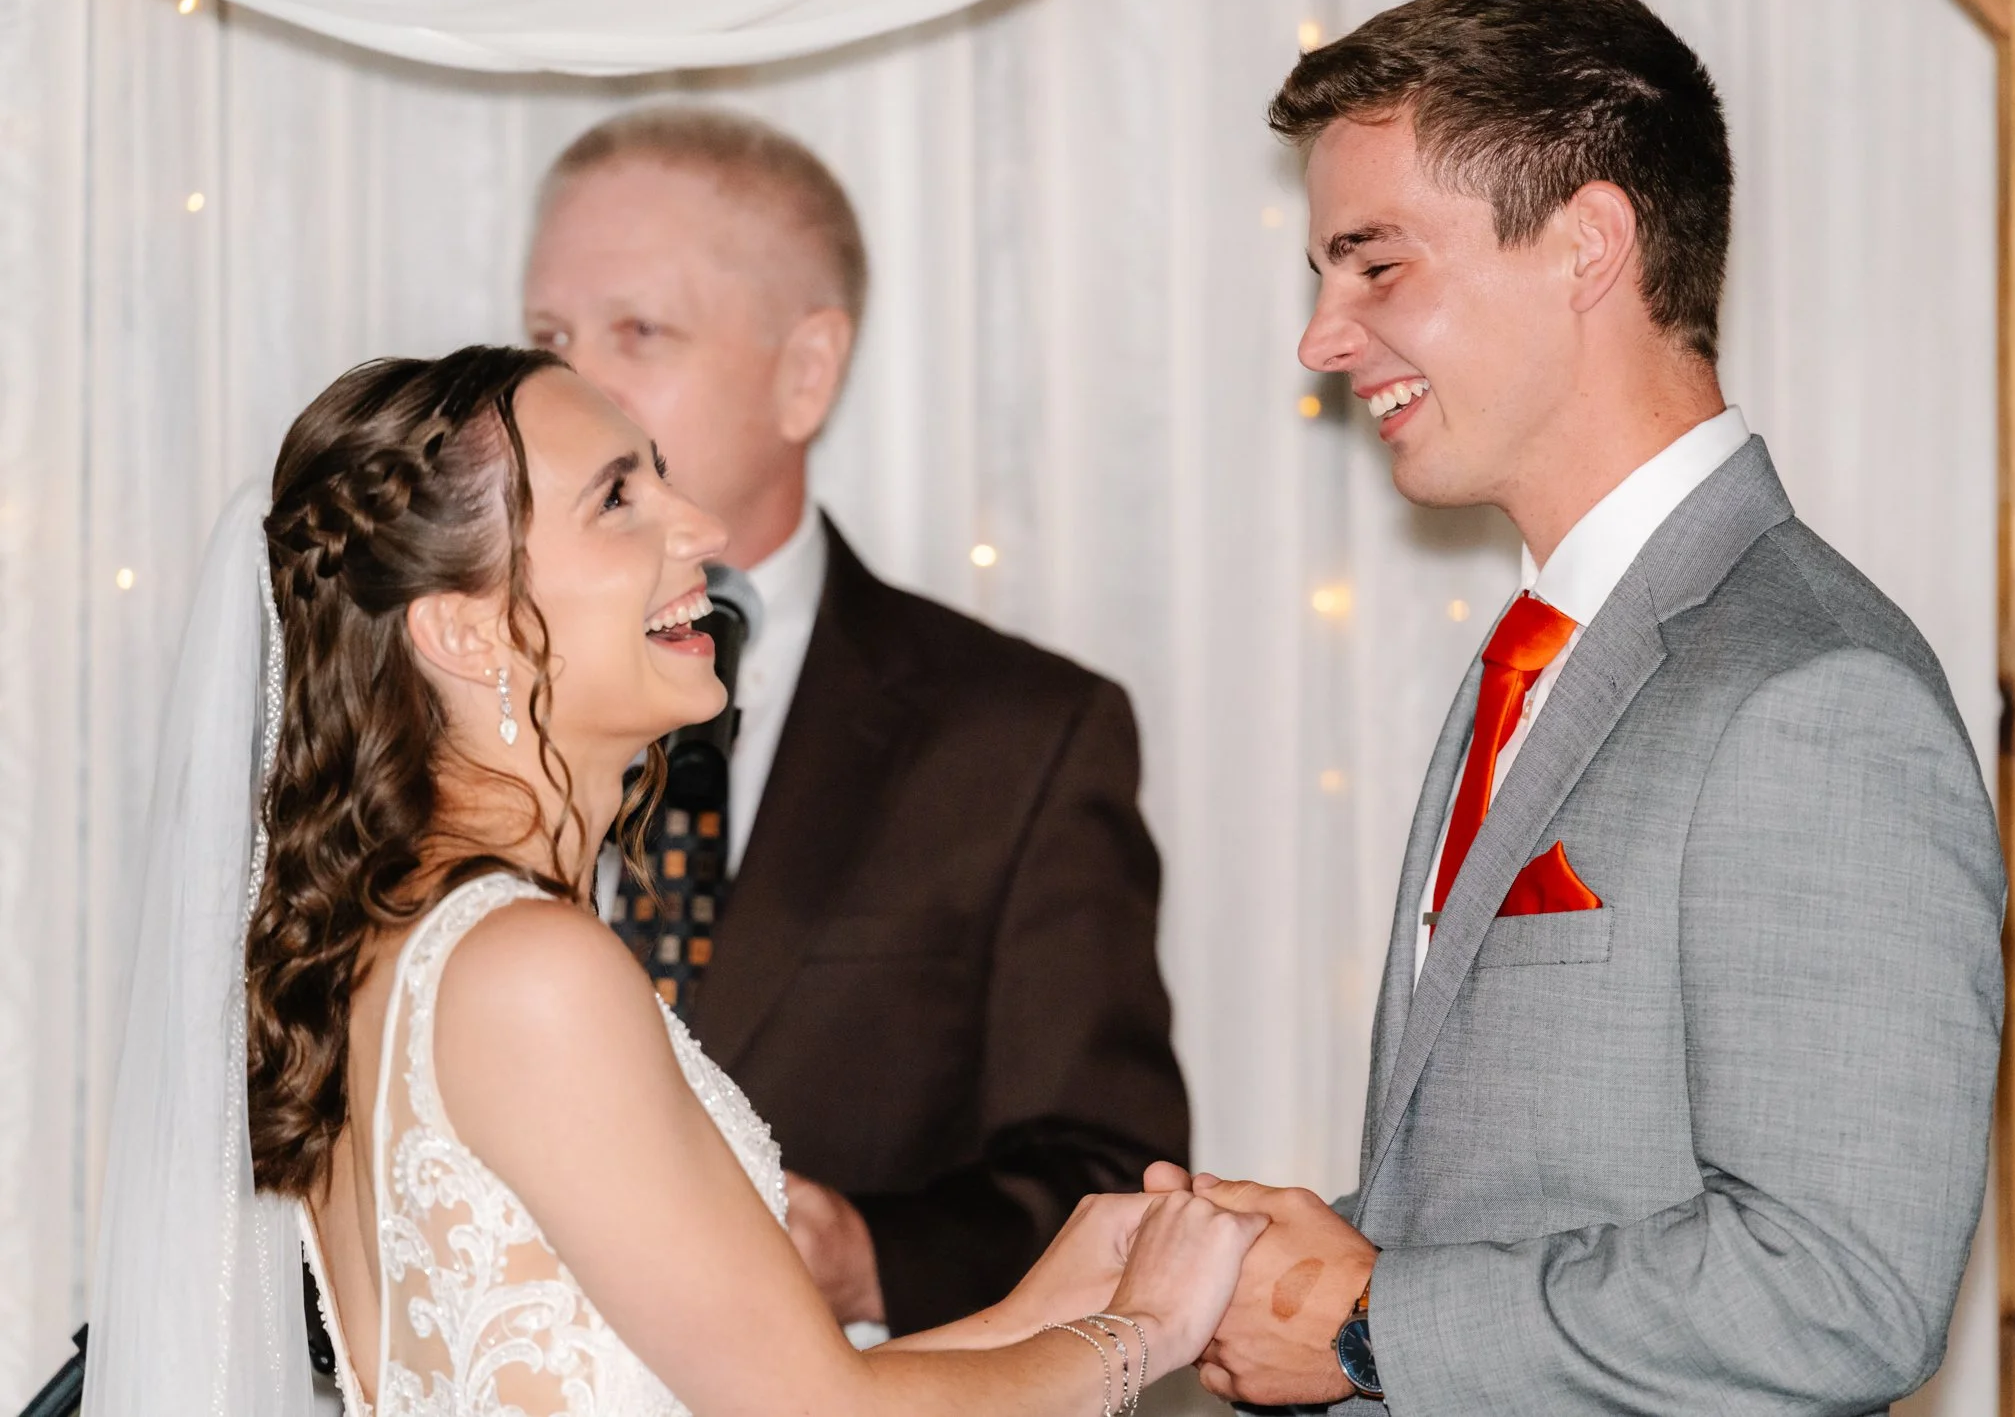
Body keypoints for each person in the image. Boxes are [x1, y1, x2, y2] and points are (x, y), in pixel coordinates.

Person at [84, 345, 1263, 1417]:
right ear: (464, 632)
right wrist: (1143, 1334)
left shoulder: (416, 938)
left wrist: (1049, 1307)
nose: (700, 528)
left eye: (662, 479)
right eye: (618, 500)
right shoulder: (527, 969)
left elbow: (761, 1384)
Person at [1153, 0, 2006, 1415]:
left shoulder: (1814, 692)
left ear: (1587, 245)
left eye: (1375, 265)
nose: (1322, 336)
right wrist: (1258, 1267)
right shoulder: (1547, 647)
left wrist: (1368, 1324)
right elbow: (1544, 1193)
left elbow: (1844, 1286)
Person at [521, 106, 1190, 1338]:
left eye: (638, 332)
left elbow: (1109, 1179)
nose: (570, 388)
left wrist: (864, 1258)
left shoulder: (1020, 737)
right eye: (548, 338)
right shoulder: (441, 689)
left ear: (806, 372)